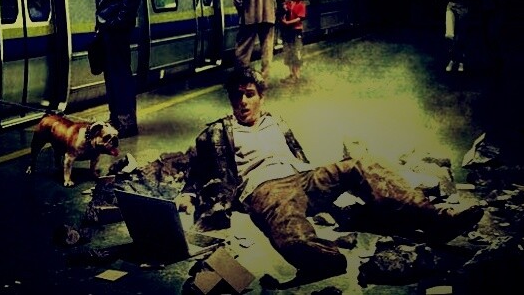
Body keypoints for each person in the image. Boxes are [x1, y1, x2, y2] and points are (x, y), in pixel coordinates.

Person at [174, 67, 484, 283]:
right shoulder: (218, 132)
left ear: (261, 97)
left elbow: (300, 156)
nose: (243, 101)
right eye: (237, 96)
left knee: (360, 164)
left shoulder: (276, 122)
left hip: (303, 176)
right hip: (265, 187)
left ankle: (435, 220)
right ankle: (322, 257)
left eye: (249, 94)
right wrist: (188, 194)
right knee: (290, 230)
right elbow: (197, 168)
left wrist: (330, 194)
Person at [94, 0, 144, 136]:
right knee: (111, 76)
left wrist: (118, 23)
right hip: (106, 28)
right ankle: (116, 117)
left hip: (117, 30)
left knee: (121, 75)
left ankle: (127, 122)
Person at [472, 0, 509, 73]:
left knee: (493, 35)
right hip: (485, 10)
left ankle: (498, 61)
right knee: (486, 37)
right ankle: (493, 61)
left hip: (496, 11)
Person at [279, 0, 309, 83]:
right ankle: (291, 74)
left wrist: (288, 22)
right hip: (287, 32)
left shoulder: (301, 5)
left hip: (296, 31)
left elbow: (300, 18)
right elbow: (283, 12)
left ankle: (297, 75)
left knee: (296, 52)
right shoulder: (287, 3)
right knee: (288, 52)